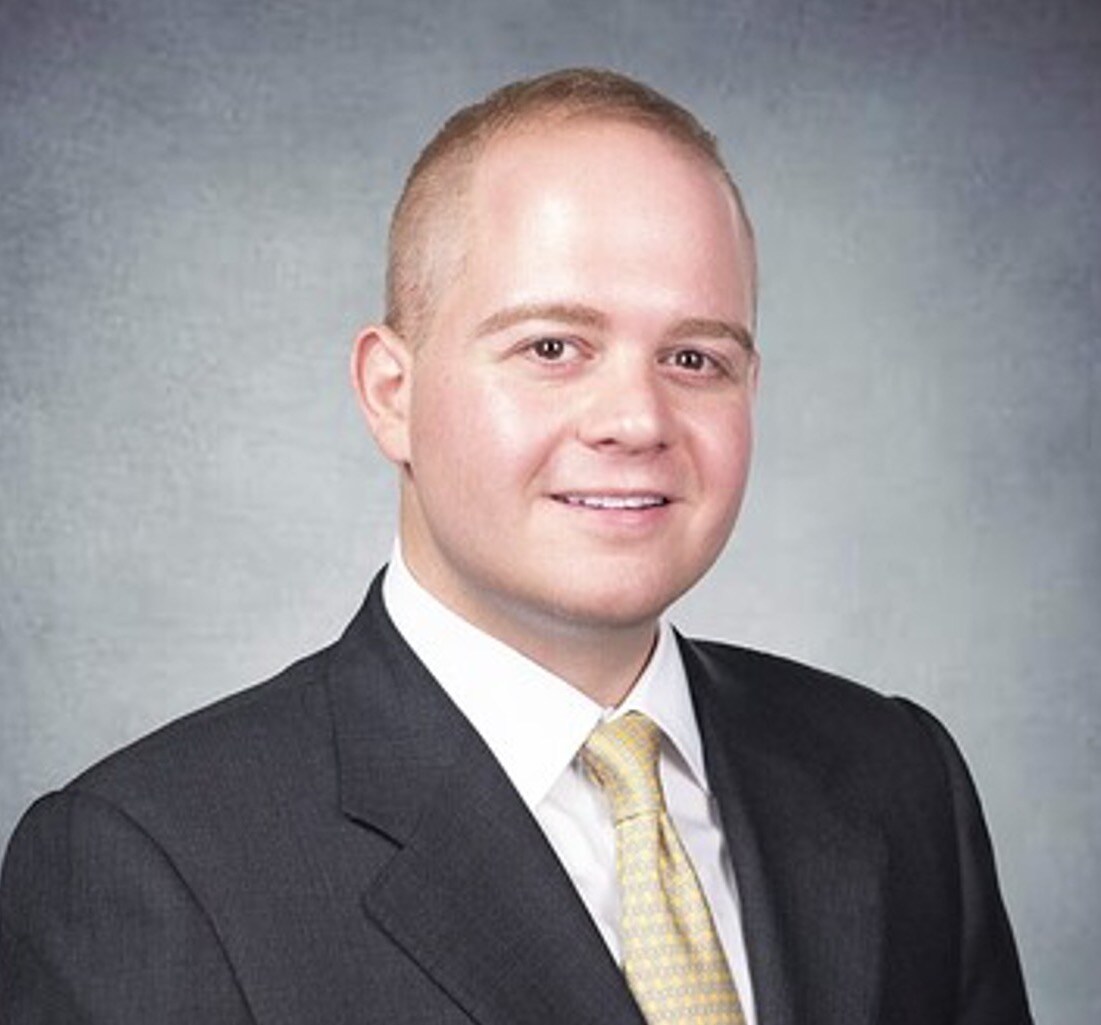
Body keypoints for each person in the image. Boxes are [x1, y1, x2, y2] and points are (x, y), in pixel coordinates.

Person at [0, 68, 1032, 1025]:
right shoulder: (147, 863)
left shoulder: (898, 779)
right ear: (390, 393)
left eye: (693, 357)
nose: (636, 419)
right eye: (552, 346)